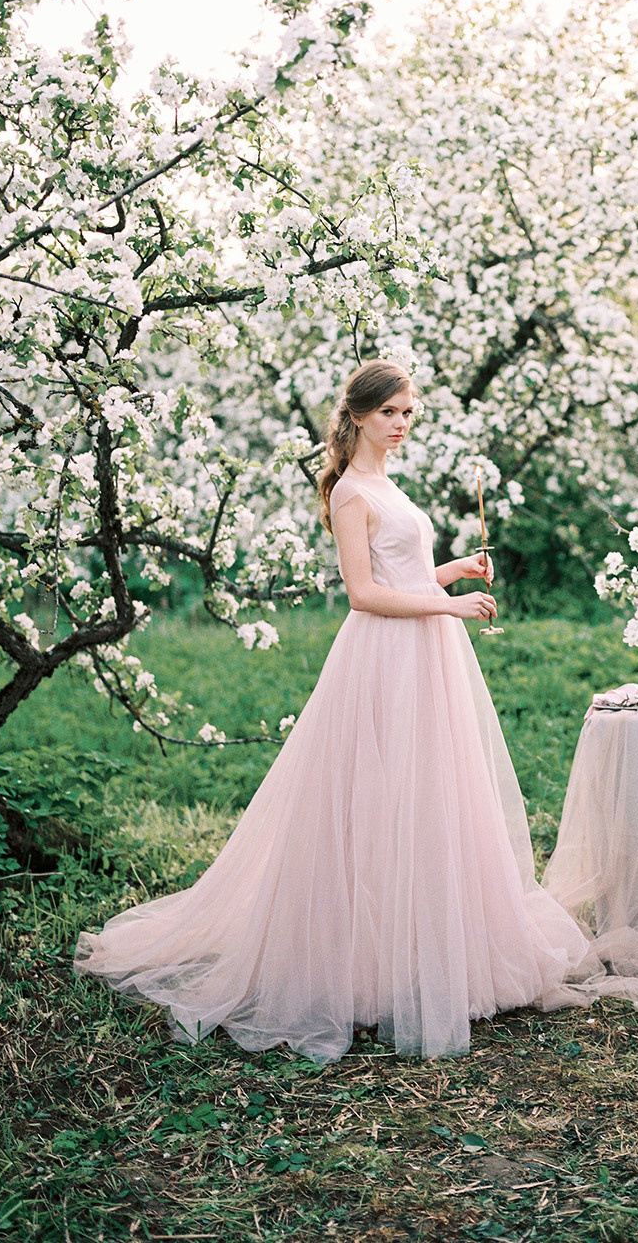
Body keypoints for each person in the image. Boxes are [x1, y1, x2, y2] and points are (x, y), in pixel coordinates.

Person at [75, 359, 592, 1062]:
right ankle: (366, 968)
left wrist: (452, 573)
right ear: (356, 417)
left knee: (425, 799)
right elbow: (362, 593)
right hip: (384, 657)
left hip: (423, 654)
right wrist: (450, 604)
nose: (403, 423)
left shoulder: (388, 484)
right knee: (374, 801)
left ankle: (428, 952)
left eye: (409, 411)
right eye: (390, 413)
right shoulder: (352, 491)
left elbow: (400, 577)